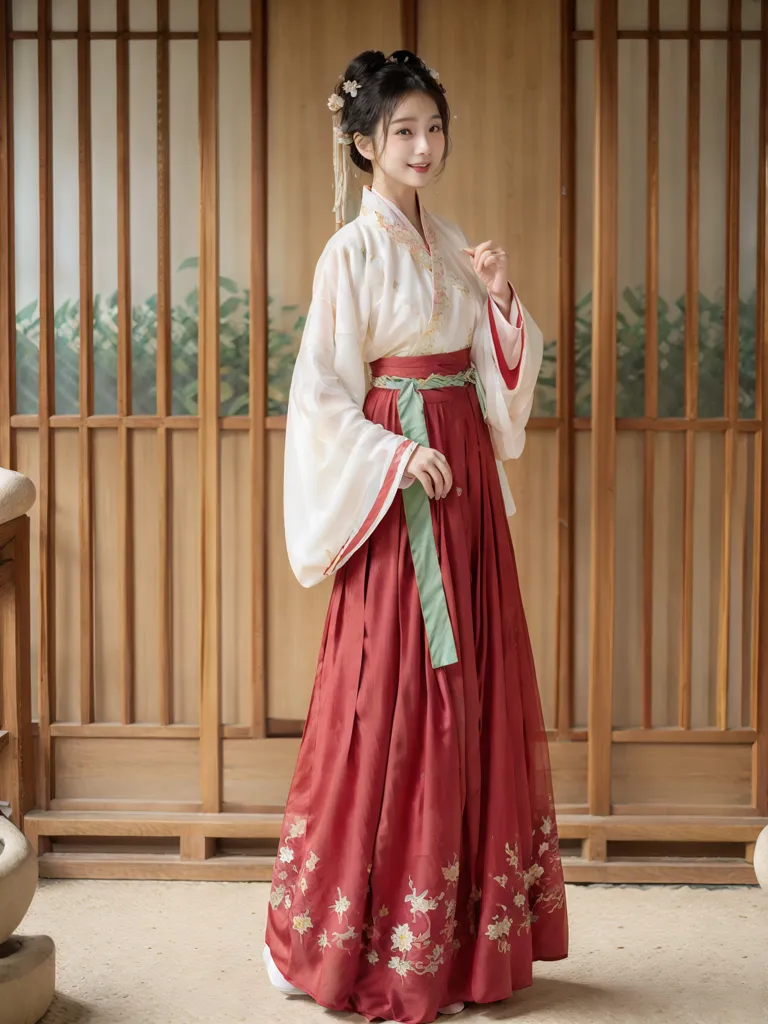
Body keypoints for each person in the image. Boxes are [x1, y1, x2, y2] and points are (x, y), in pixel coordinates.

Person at [263, 48, 568, 1024]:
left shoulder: (452, 245)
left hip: (465, 484)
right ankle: (334, 929)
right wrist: (396, 461)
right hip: (404, 496)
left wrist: (503, 299)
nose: (422, 145)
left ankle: (465, 938)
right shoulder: (349, 254)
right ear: (364, 142)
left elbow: (493, 378)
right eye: (402, 130)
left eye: (433, 127)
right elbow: (320, 397)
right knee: (387, 695)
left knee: (471, 694)